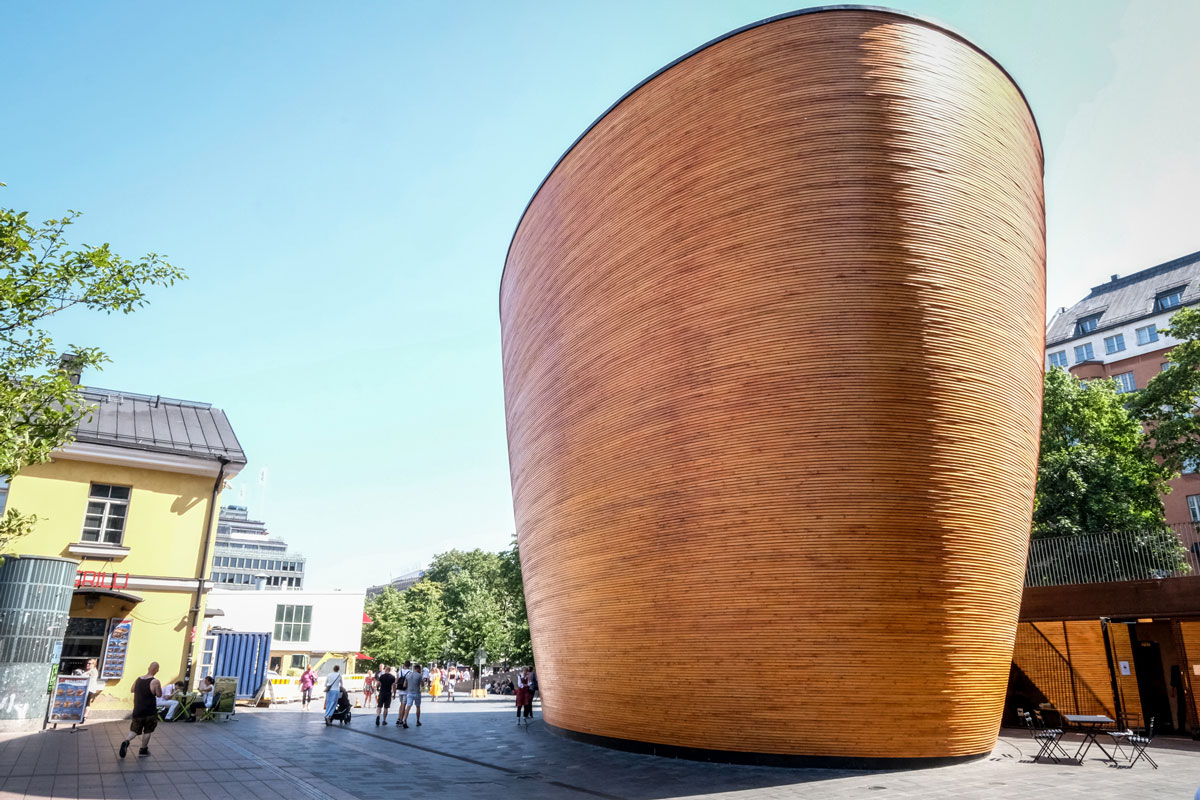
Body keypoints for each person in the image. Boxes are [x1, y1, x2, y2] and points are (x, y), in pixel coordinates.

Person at [119, 662, 161, 758]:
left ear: (148, 668)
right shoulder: (155, 681)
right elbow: (159, 694)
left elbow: (132, 689)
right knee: (147, 731)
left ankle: (126, 741)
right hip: (150, 711)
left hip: (138, 709)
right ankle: (143, 749)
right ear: (156, 670)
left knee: (134, 731)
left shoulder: (138, 679)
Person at [401, 661, 422, 728]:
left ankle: (404, 720)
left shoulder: (408, 675)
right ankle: (418, 721)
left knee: (408, 707)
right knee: (418, 707)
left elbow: (404, 685)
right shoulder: (419, 675)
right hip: (417, 693)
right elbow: (422, 684)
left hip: (409, 693)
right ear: (418, 669)